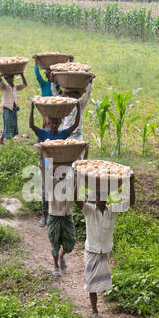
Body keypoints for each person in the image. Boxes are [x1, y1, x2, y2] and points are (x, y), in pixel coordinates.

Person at [74, 174, 135, 318]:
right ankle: (94, 311)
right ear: (95, 198)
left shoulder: (112, 211)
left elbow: (129, 203)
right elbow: (76, 199)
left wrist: (131, 184)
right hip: (91, 251)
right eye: (99, 196)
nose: (101, 198)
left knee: (100, 283)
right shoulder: (89, 210)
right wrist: (77, 179)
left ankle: (99, 307)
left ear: (107, 197)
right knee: (91, 283)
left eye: (104, 196)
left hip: (104, 252)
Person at [29, 100, 88, 228]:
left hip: (60, 166)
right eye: (53, 123)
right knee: (45, 191)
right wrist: (32, 108)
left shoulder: (62, 134)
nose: (55, 125)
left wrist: (77, 107)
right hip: (47, 166)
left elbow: (75, 124)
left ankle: (59, 215)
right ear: (49, 123)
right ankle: (44, 216)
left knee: (60, 191)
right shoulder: (44, 133)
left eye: (57, 123)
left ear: (59, 123)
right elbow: (31, 125)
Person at [45, 167, 76, 276]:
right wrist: (41, 153)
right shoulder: (51, 182)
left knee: (71, 242)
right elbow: (42, 168)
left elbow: (80, 169)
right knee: (55, 242)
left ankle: (61, 256)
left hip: (67, 215)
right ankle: (55, 266)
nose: (62, 173)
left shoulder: (71, 181)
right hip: (54, 216)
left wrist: (85, 153)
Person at [51, 73, 94, 141]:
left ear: (78, 96)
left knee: (76, 150)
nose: (73, 96)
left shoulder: (80, 103)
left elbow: (87, 95)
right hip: (65, 132)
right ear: (68, 94)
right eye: (71, 94)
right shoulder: (65, 102)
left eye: (75, 94)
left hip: (77, 133)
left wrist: (90, 83)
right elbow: (55, 95)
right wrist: (52, 82)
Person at [0, 65, 27, 144]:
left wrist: (22, 74)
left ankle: (1, 140)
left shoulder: (15, 86)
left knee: (11, 125)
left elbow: (25, 84)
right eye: (8, 78)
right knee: (8, 125)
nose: (10, 79)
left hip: (13, 108)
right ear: (5, 79)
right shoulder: (4, 86)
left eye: (11, 77)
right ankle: (9, 142)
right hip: (7, 108)